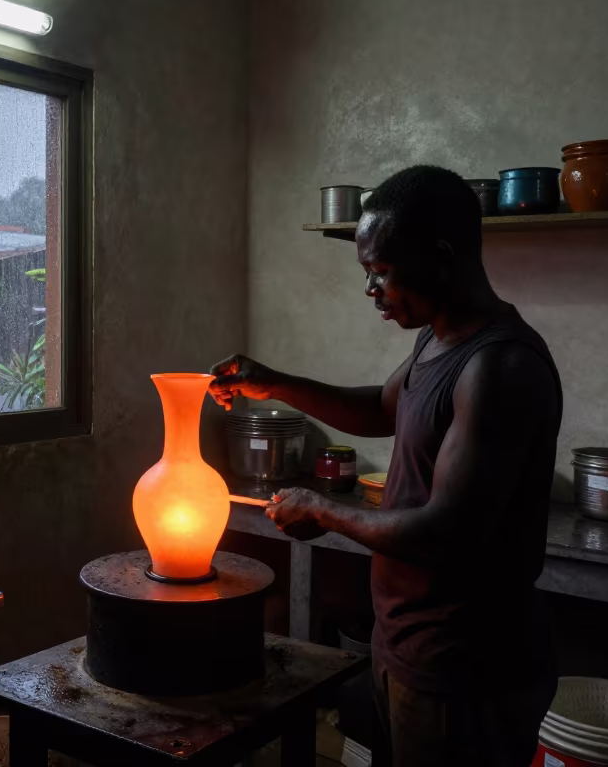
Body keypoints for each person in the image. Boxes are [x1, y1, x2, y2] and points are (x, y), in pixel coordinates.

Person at [210, 165, 562, 767]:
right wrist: (274, 383)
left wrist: (323, 509)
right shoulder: (437, 340)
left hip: (462, 667)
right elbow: (380, 407)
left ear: (441, 256)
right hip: (406, 644)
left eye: (380, 271)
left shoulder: (499, 367)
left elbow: (444, 533)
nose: (370, 289)